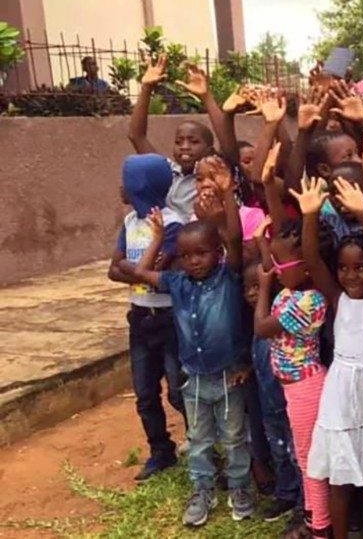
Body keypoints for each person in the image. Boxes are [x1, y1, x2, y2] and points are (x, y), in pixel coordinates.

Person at [130, 158, 254, 526]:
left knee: (234, 437)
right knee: (199, 439)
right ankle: (202, 490)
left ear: (217, 254)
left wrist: (227, 195)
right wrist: (157, 239)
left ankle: (240, 487)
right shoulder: (177, 283)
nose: (194, 261)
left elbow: (234, 239)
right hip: (194, 378)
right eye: (185, 256)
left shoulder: (228, 279)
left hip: (229, 376)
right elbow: (140, 272)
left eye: (201, 253)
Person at [254, 179, 339, 538]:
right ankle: (312, 516)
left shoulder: (310, 301)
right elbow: (276, 265)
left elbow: (262, 327)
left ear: (306, 267)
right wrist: (264, 244)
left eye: (279, 263)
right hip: (291, 388)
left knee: (309, 459)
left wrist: (263, 288)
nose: (273, 268)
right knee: (304, 456)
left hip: (306, 388)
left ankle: (319, 526)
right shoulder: (292, 289)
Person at [307, 233, 363, 539]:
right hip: (342, 389)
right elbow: (311, 258)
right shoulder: (337, 296)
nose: (351, 275)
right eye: (343, 268)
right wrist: (310, 217)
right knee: (340, 477)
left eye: (361, 267)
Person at [107, 153, 186, 482]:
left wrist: (132, 268)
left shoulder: (172, 224)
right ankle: (161, 451)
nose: (120, 188)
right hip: (140, 317)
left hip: (170, 319)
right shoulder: (129, 222)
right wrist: (137, 270)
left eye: (126, 181)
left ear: (142, 185)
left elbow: (151, 272)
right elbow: (114, 270)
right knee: (144, 393)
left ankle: (201, 442)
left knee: (178, 391)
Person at [128, 56, 240, 221]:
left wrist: (206, 97)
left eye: (193, 142)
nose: (184, 146)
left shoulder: (215, 175)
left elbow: (229, 149)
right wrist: (146, 88)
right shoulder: (167, 172)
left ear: (210, 150)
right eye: (178, 142)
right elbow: (136, 136)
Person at [242, 256, 305, 528]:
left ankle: (304, 505)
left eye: (259, 286)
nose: (252, 293)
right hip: (270, 408)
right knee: (279, 453)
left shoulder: (277, 321)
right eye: (248, 288)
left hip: (290, 405)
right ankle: (286, 494)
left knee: (296, 455)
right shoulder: (255, 327)